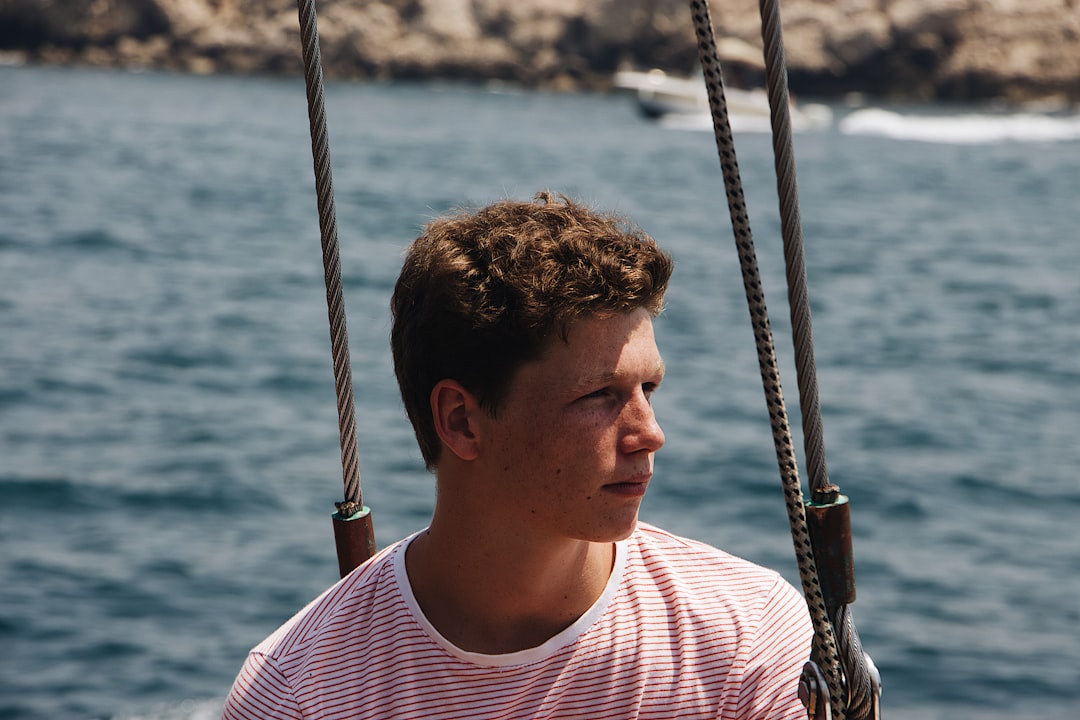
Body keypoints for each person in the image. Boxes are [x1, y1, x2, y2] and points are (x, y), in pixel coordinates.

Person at [223, 192, 813, 719]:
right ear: (461, 420)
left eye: (647, 390)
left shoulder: (747, 640)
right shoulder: (297, 695)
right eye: (599, 396)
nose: (649, 433)